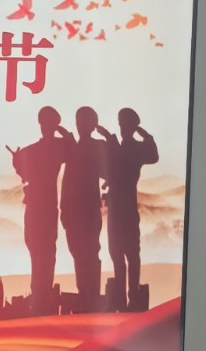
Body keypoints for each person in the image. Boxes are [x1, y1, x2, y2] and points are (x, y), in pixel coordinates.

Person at [9, 106, 71, 316]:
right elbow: (72, 147)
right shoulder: (55, 148)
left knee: (41, 253)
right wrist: (61, 131)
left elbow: (22, 171)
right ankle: (41, 296)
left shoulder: (36, 150)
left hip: (40, 206)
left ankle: (41, 297)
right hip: (43, 206)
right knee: (43, 253)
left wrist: (17, 162)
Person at [104, 107, 159, 312]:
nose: (122, 129)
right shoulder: (127, 147)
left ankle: (131, 297)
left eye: (125, 125)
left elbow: (153, 156)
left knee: (129, 253)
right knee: (118, 252)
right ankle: (124, 296)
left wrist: (144, 135)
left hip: (125, 205)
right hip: (118, 205)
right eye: (121, 125)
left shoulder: (133, 148)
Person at [61, 105, 111, 312]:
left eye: (84, 121)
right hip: (73, 210)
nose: (80, 125)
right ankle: (86, 296)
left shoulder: (96, 146)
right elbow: (68, 180)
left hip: (87, 210)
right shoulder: (78, 146)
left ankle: (90, 297)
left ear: (92, 124)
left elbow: (106, 170)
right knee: (78, 253)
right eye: (78, 121)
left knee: (88, 253)